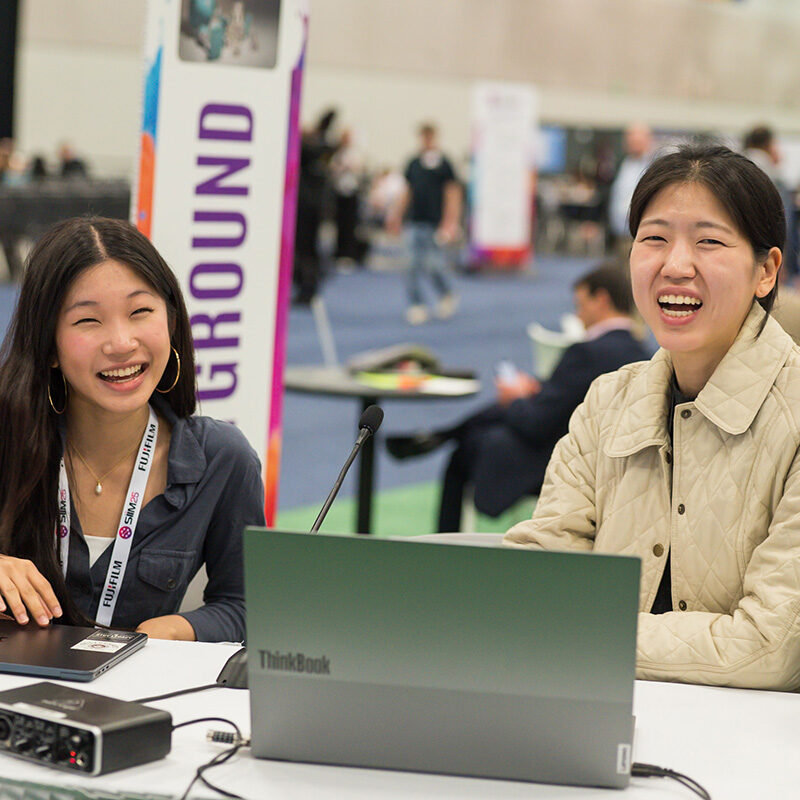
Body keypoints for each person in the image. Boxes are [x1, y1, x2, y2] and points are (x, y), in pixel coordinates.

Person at [504, 143, 800, 691]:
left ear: (766, 271)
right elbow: (534, 583)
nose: (675, 265)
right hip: (594, 718)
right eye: (654, 239)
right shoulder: (607, 402)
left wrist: (579, 635)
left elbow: (771, 647)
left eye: (709, 242)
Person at [0, 217, 264, 642]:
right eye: (88, 321)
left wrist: (184, 628)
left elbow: (248, 605)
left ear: (171, 322)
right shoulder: (8, 436)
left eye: (140, 311)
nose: (121, 342)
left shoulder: (221, 458)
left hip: (139, 700)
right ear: (48, 345)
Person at [386, 264, 649, 532]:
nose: (578, 316)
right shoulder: (643, 352)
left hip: (559, 457)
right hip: (608, 460)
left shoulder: (587, 352)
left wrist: (515, 400)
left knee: (470, 446)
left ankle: (445, 538)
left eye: (580, 306)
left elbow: (537, 424)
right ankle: (443, 435)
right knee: (490, 421)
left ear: (601, 300)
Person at [387, 123, 462, 325]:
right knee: (410, 264)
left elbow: (452, 193)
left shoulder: (444, 164)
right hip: (414, 220)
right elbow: (407, 191)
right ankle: (416, 304)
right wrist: (396, 215)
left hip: (434, 222)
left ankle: (445, 293)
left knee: (433, 265)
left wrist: (450, 222)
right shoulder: (414, 163)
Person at [743, 125, 798, 282]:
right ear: (769, 145)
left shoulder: (738, 164)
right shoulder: (769, 172)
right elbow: (782, 221)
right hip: (768, 247)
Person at [608, 123, 653, 252]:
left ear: (647, 141)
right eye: (630, 140)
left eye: (637, 140)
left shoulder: (653, 165)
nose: (633, 143)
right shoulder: (621, 162)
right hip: (618, 231)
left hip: (641, 232)